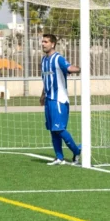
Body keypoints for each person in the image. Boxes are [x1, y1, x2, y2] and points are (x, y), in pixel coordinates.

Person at [40, 33, 82, 166]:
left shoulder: (58, 58)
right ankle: (59, 157)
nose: (43, 44)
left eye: (46, 42)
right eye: (42, 41)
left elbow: (69, 68)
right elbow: (46, 79)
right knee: (53, 130)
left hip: (59, 99)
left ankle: (77, 150)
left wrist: (80, 68)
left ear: (52, 44)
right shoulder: (44, 60)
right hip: (48, 99)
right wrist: (42, 95)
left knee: (59, 129)